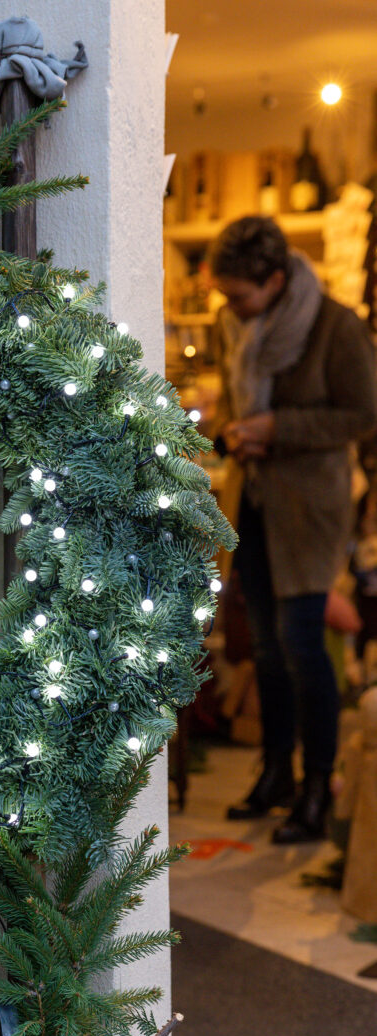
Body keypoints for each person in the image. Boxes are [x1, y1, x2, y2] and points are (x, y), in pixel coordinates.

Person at [210, 216, 376, 842]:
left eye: (240, 294)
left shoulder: (336, 326)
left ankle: (316, 789)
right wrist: (233, 430)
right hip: (251, 499)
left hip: (310, 508)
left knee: (305, 646)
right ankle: (276, 771)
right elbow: (235, 400)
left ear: (275, 279)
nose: (230, 305)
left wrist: (278, 429)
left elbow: (363, 414)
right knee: (268, 647)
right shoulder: (236, 325)